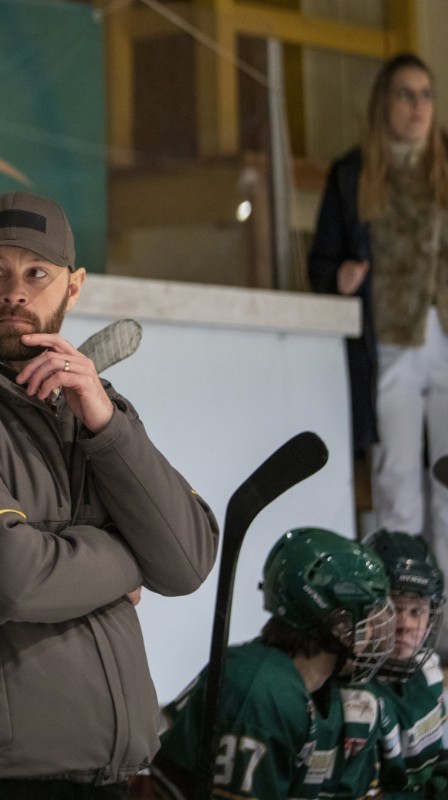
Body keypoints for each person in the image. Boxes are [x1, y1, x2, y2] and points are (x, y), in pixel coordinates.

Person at [0, 190, 219, 799]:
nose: (15, 292)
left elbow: (185, 562)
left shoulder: (94, 410)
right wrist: (128, 556)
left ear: (72, 288)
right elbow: (12, 579)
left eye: (37, 273)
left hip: (115, 776)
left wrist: (108, 427)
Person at [308, 52, 448, 561]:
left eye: (426, 95)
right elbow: (320, 263)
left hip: (444, 336)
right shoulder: (354, 174)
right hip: (388, 341)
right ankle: (408, 625)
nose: (417, 106)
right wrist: (340, 276)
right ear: (383, 103)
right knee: (397, 482)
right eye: (405, 94)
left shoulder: (445, 163)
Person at [149, 527, 396, 800]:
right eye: (369, 619)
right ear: (339, 625)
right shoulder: (260, 693)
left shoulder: (328, 690)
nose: (376, 632)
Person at [345, 529, 447, 799]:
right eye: (392, 609)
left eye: (417, 611)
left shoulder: (429, 672)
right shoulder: (352, 696)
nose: (405, 625)